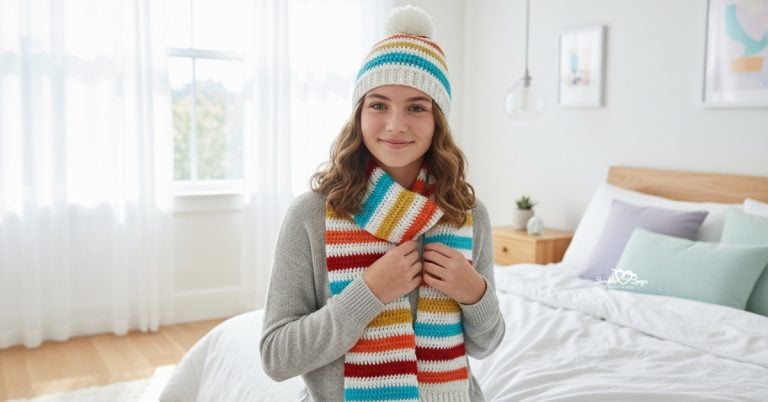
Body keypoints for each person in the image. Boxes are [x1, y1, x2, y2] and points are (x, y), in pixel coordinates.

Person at [260, 5, 505, 401]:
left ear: (437, 119)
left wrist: (474, 292)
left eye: (416, 107)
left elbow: (486, 344)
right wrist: (368, 292)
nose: (395, 124)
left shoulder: (467, 213)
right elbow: (276, 357)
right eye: (378, 104)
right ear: (359, 114)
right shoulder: (311, 214)